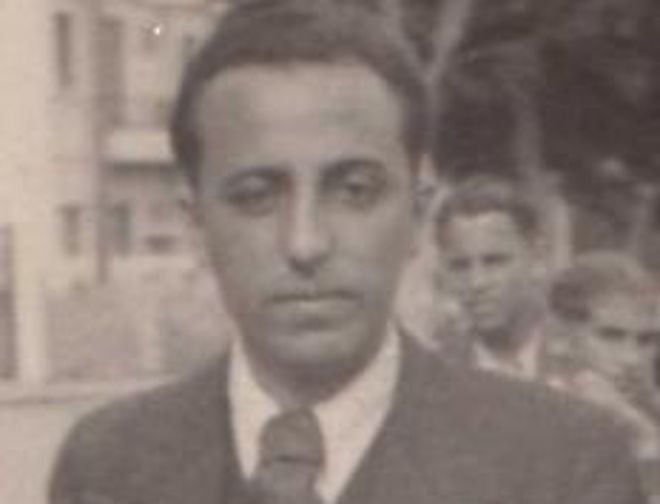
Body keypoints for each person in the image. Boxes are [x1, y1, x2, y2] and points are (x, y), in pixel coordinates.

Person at [49, 3, 644, 504]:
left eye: (354, 191)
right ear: (196, 223)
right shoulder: (107, 467)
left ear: (417, 213)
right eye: (256, 196)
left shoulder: (564, 465)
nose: (305, 243)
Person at [434, 175, 571, 384]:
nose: (477, 283)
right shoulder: (437, 370)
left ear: (537, 258)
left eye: (494, 262)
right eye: (460, 266)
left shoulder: (582, 357)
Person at [549, 251, 660, 498]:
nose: (632, 359)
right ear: (562, 337)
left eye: (647, 340)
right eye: (611, 336)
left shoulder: (649, 410)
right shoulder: (539, 418)